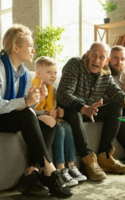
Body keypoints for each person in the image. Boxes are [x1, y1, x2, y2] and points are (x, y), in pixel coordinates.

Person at [0, 24, 72, 198]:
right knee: (27, 114)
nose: (34, 50)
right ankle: (50, 171)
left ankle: (31, 174)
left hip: (12, 116)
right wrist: (26, 102)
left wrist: (35, 100)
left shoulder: (25, 73)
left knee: (50, 122)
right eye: (30, 46)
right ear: (16, 48)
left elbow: (26, 109)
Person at [56, 41, 125, 181]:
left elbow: (119, 97)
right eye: (94, 55)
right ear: (87, 54)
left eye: (101, 57)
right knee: (74, 108)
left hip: (90, 112)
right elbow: (62, 94)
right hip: (71, 111)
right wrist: (83, 108)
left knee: (116, 107)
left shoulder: (106, 75)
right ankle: (88, 159)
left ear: (106, 60)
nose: (97, 60)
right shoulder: (75, 64)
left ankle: (105, 155)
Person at [32, 56, 87, 187]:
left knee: (67, 126)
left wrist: (58, 112)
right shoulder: (34, 86)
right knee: (60, 128)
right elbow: (31, 109)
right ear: (39, 74)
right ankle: (60, 168)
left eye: (55, 72)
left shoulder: (53, 89)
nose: (53, 76)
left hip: (50, 118)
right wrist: (45, 113)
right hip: (36, 119)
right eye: (49, 72)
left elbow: (54, 107)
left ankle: (71, 165)